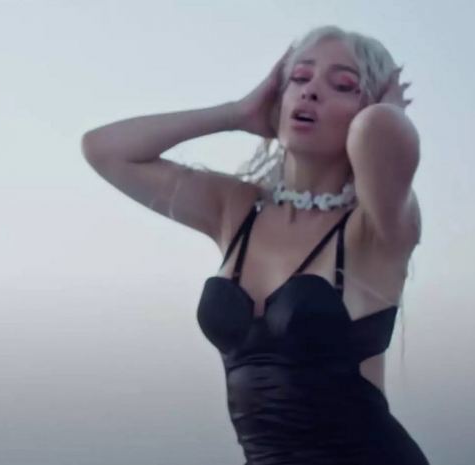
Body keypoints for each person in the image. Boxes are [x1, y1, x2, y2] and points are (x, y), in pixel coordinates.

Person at [82, 24, 428, 465]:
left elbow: (379, 131)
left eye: (343, 85)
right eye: (299, 78)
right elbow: (104, 150)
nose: (311, 91)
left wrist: (382, 112)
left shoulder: (377, 228)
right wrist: (237, 113)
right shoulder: (236, 209)